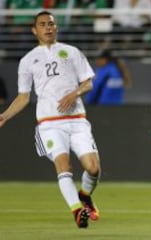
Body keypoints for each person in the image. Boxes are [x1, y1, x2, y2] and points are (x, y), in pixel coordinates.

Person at [0, 11, 101, 229]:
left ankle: (84, 195)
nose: (48, 28)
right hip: (50, 123)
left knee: (93, 168)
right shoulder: (27, 61)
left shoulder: (71, 52)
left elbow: (89, 83)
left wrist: (74, 93)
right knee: (63, 164)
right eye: (43, 24)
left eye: (51, 24)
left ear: (56, 28)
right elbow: (23, 96)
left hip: (77, 120)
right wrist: (5, 115)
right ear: (34, 30)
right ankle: (77, 211)